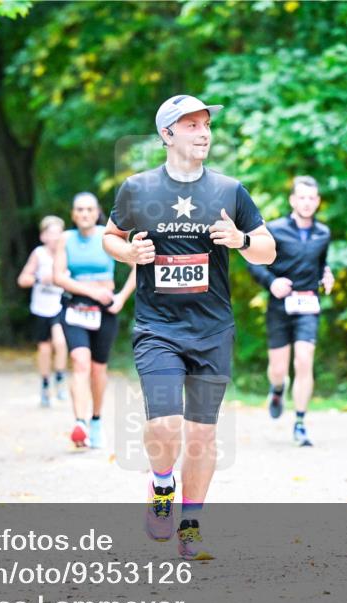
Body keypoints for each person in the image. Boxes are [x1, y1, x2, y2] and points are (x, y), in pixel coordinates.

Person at [103, 94, 275, 560]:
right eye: (192, 125)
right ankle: (162, 488)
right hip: (158, 327)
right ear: (167, 134)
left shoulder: (229, 190)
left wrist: (240, 240)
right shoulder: (137, 190)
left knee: (201, 436)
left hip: (213, 329)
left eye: (206, 125)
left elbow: (267, 249)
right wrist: (129, 254)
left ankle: (192, 523)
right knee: (164, 427)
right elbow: (111, 237)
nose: (204, 132)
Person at [247, 176, 335, 447]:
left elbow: (321, 265)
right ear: (293, 200)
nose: (307, 203)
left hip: (308, 305)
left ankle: (300, 423)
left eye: (312, 198)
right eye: (302, 197)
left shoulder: (323, 233)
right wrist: (271, 282)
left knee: (305, 360)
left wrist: (327, 275)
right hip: (280, 306)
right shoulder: (274, 229)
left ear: (318, 202)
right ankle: (277, 389)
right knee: (278, 368)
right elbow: (254, 262)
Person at [53, 193, 136, 450]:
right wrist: (90, 291)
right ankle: (80, 423)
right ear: (73, 214)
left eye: (89, 209)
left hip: (105, 309)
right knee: (79, 361)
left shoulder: (109, 236)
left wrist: (120, 298)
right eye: (80, 209)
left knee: (98, 369)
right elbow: (58, 277)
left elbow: (139, 266)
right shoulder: (65, 239)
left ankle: (96, 419)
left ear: (97, 211)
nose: (85, 214)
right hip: (76, 307)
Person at [17, 216, 69, 407]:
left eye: (59, 233)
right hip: (41, 308)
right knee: (45, 349)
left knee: (61, 342)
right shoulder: (39, 254)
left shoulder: (67, 253)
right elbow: (23, 279)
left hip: (60, 305)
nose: (55, 237)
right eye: (51, 233)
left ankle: (61, 378)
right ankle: (46, 384)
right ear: (43, 236)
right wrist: (40, 278)